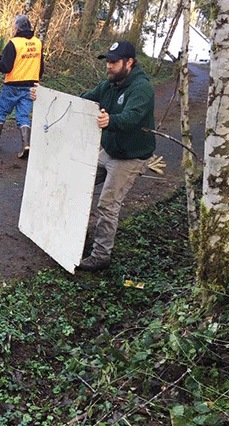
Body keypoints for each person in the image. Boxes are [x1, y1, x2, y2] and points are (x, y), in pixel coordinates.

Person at [76, 40, 156, 271]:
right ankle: (74, 234)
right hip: (109, 150)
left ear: (129, 62)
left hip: (130, 157)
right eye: (108, 62)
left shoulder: (142, 88)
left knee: (108, 204)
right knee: (78, 182)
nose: (109, 66)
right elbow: (85, 98)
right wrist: (46, 97)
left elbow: (132, 117)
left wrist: (111, 120)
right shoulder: (109, 85)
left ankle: (101, 256)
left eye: (114, 62)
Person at [0, 14, 44, 159]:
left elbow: (6, 66)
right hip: (31, 85)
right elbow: (41, 66)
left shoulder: (14, 43)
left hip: (13, 86)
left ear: (16, 28)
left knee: (1, 112)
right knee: (23, 116)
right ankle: (25, 144)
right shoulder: (37, 43)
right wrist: (37, 79)